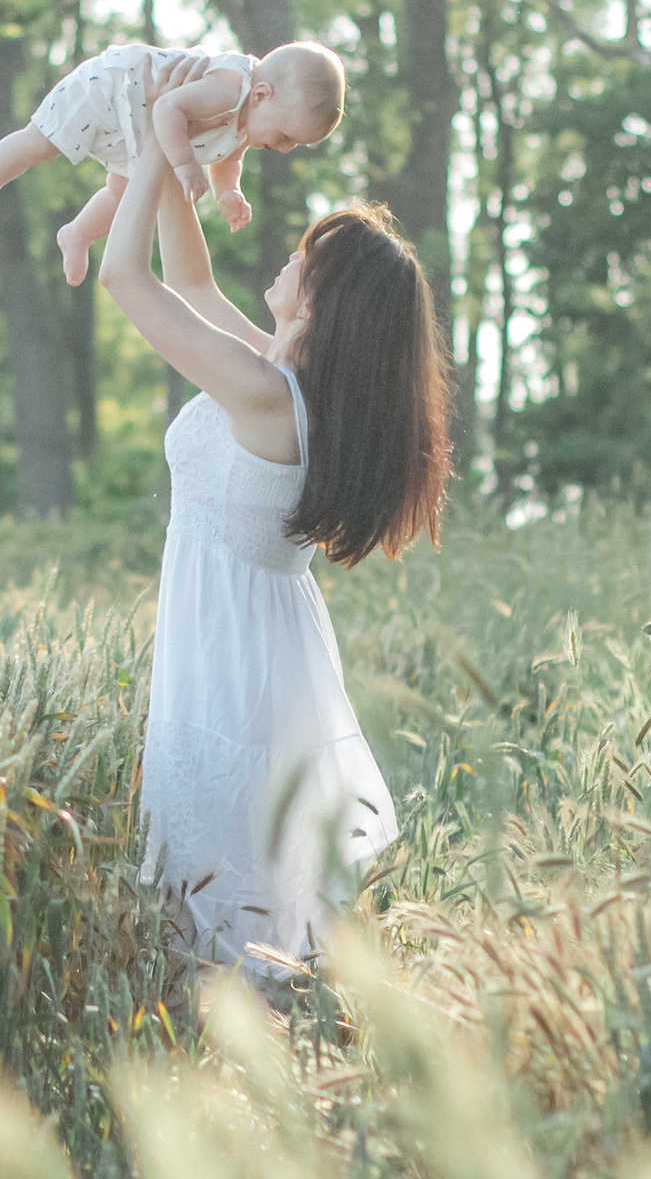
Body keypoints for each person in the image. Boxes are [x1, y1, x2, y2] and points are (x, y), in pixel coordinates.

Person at [92, 62, 449, 984]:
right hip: (246, 645)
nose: (287, 260)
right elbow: (189, 278)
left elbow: (125, 276)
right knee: (227, 897)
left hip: (233, 663)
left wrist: (151, 136)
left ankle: (247, 1041)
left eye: (304, 258)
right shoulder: (282, 384)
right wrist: (181, 140)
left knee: (217, 907)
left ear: (321, 302)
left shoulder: (264, 397)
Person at [0, 41, 346, 286]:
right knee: (40, 142)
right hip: (110, 91)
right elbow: (168, 108)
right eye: (286, 136)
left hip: (135, 127)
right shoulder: (230, 88)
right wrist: (186, 165)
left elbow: (228, 160)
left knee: (124, 194)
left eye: (295, 144)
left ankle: (78, 234)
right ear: (261, 95)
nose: (285, 148)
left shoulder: (246, 125)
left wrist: (229, 192)